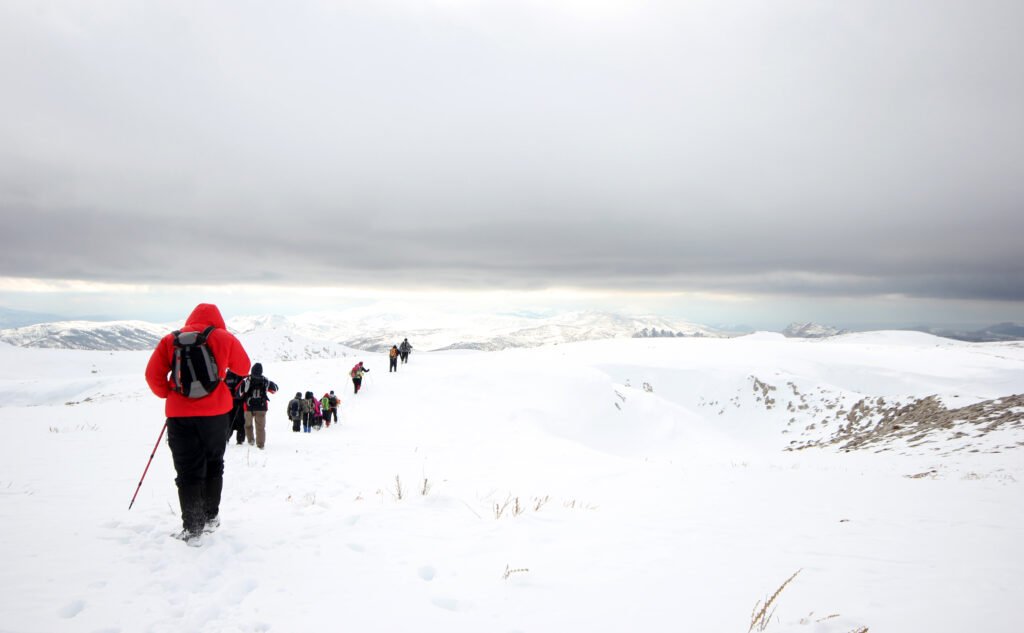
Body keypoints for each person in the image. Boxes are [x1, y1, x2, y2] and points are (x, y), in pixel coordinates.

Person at [144, 303, 250, 545]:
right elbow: (243, 367)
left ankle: (193, 529)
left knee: (188, 470)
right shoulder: (224, 337)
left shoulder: (170, 341)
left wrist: (168, 394)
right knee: (214, 462)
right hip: (216, 415)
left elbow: (152, 376)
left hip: (179, 416)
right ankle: (211, 517)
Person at [236, 363, 279, 450]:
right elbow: (275, 389)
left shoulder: (246, 380)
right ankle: (260, 445)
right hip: (261, 407)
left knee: (248, 425)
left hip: (248, 407)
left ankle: (251, 440)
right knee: (260, 427)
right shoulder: (265, 381)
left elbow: (238, 393)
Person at [223, 370, 246, 445]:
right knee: (240, 421)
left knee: (229, 421)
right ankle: (240, 439)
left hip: (228, 402)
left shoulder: (226, 375)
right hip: (239, 401)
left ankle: (226, 438)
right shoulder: (241, 374)